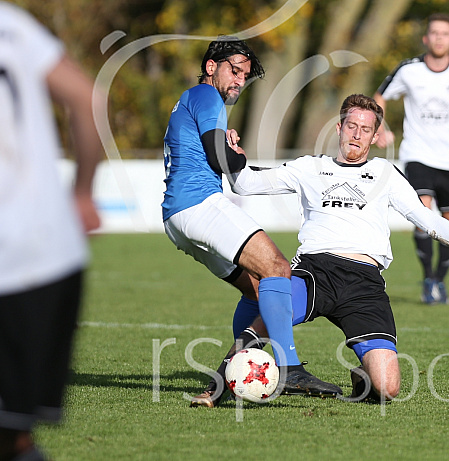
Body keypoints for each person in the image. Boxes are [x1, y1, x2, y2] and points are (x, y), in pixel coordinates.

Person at [191, 94, 449, 406]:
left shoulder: (386, 173)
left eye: (366, 129)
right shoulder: (309, 167)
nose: (357, 134)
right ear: (340, 128)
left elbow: (425, 218)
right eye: (351, 126)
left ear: (374, 136)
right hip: (317, 270)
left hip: (365, 284)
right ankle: (217, 388)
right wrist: (231, 153)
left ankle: (364, 377)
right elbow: (245, 184)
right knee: (268, 319)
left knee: (389, 388)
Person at [161, 36, 340, 401]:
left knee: (260, 293)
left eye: (245, 76)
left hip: (176, 217)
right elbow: (219, 161)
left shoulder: (190, 100)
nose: (239, 80)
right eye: (234, 70)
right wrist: (235, 155)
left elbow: (211, 151)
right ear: (211, 67)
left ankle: (222, 384)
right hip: (198, 204)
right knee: (278, 268)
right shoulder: (207, 95)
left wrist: (226, 150)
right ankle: (289, 370)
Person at [0, 2, 102, 460]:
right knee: (9, 435)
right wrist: (83, 192)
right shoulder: (3, 21)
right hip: (55, 257)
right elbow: (88, 98)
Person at [374, 13, 449, 305]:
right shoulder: (409, 70)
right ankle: (428, 278)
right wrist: (380, 128)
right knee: (423, 216)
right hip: (417, 155)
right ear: (426, 39)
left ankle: (440, 280)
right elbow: (380, 96)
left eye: (445, 34)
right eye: (434, 33)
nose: (439, 38)